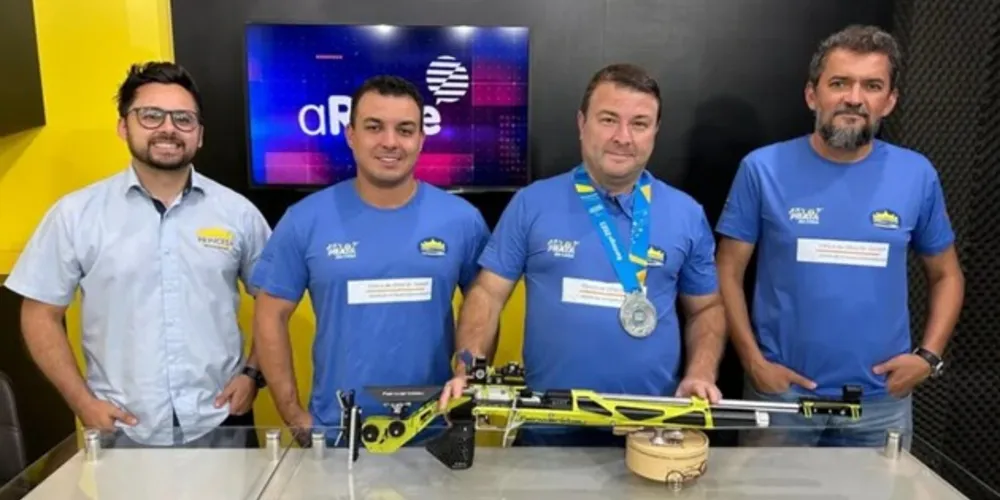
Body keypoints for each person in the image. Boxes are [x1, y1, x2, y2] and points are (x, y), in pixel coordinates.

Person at [438, 63, 728, 446]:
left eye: (639, 124)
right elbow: (488, 295)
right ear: (582, 122)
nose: (623, 137)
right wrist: (469, 370)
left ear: (655, 131)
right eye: (609, 119)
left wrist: (701, 373)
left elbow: (706, 309)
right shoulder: (532, 204)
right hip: (547, 428)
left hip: (650, 430)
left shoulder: (687, 214)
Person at [715, 25, 965, 448]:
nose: (854, 97)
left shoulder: (916, 175)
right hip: (782, 398)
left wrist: (928, 358)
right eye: (839, 83)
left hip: (880, 403)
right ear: (812, 95)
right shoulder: (762, 169)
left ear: (890, 101)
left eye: (872, 85)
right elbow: (726, 270)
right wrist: (754, 362)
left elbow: (947, 275)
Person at [2, 62, 272, 447]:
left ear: (199, 135)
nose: (168, 129)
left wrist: (252, 374)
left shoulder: (238, 213)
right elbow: (39, 315)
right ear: (123, 126)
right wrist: (82, 402)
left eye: (183, 119)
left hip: (220, 421)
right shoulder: (76, 215)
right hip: (122, 428)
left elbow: (274, 300)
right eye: (151, 115)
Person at [249, 75, 491, 434]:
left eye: (405, 129)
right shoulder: (304, 219)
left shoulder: (462, 219)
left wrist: (467, 377)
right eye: (374, 127)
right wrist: (294, 416)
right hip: (338, 432)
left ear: (422, 139)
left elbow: (485, 300)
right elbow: (269, 314)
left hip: (432, 432)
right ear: (351, 134)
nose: (390, 142)